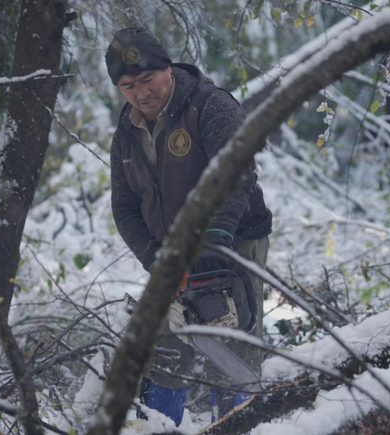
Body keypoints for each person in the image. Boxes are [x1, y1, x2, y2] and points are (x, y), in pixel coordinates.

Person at [105, 27, 273, 426]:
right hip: (170, 253)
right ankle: (161, 426)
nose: (140, 92)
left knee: (234, 349)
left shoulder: (210, 106)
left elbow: (236, 176)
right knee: (164, 350)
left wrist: (213, 244)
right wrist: (155, 258)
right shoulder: (126, 134)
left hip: (235, 240)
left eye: (147, 80)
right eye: (128, 85)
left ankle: (238, 425)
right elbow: (125, 206)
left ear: (167, 69)